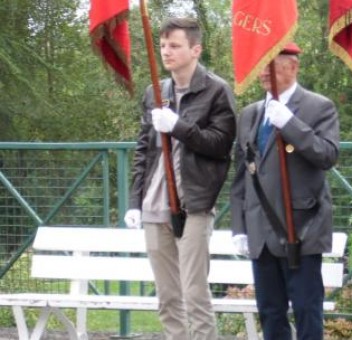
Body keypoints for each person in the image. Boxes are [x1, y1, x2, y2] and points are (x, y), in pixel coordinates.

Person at [122, 17, 236, 340]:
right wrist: (135, 201)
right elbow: (144, 150)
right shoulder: (155, 92)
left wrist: (178, 127)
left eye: (174, 45)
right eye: (162, 45)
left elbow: (220, 145)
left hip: (195, 204)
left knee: (195, 294)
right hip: (154, 205)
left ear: (195, 49)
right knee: (168, 297)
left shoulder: (216, 90)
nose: (166, 52)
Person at [229, 42, 340, 340]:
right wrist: (239, 227)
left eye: (271, 64)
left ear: (292, 66)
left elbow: (327, 155)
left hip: (301, 228)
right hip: (260, 230)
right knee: (270, 311)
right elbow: (241, 175)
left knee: (306, 309)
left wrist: (290, 124)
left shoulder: (319, 107)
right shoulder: (251, 114)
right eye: (261, 65)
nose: (263, 72)